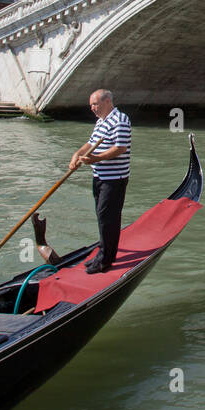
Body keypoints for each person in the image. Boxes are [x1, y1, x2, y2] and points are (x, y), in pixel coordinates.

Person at [69, 89, 131, 275]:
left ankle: (106, 260)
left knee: (108, 218)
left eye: (95, 104)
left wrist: (96, 159)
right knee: (102, 216)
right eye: (91, 105)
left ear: (107, 102)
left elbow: (120, 148)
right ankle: (102, 254)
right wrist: (77, 154)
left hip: (114, 179)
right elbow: (90, 143)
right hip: (100, 177)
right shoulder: (101, 121)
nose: (93, 109)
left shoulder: (120, 120)